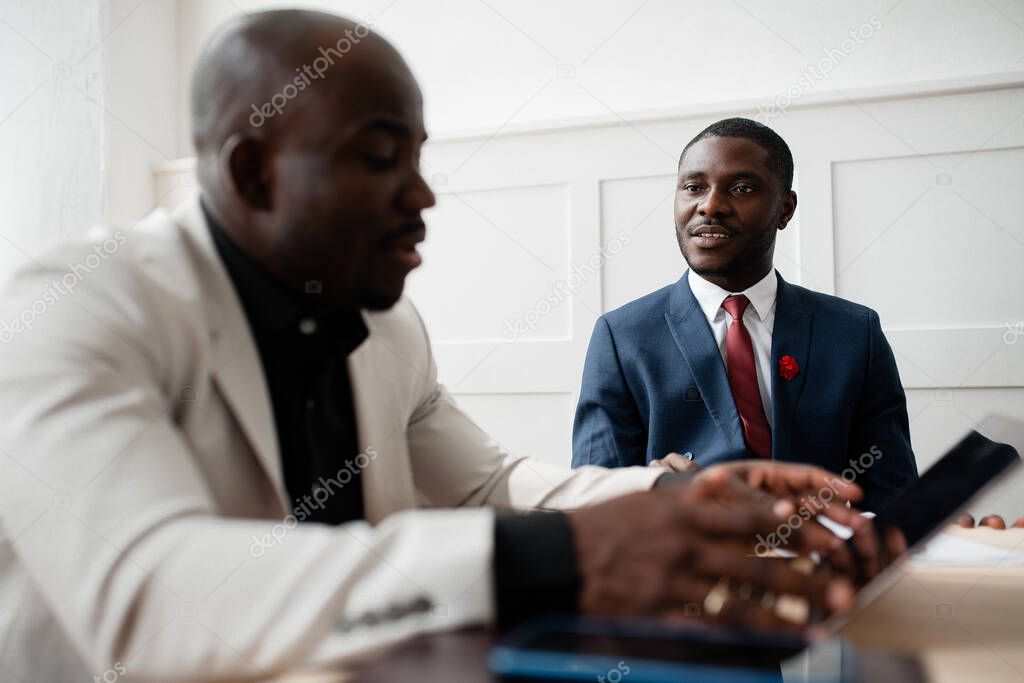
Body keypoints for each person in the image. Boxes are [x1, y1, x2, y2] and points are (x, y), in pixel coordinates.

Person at [0, 14, 894, 682]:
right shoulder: (72, 306)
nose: (423, 192)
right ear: (252, 172)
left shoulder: (386, 323)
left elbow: (489, 483)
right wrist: (567, 555)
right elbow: (150, 595)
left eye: (419, 156)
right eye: (381, 156)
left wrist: (678, 494)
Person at [572, 118, 918, 512]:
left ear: (784, 210)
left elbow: (895, 497)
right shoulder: (621, 338)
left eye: (741, 189)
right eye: (693, 187)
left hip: (821, 565)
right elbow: (593, 510)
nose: (710, 205)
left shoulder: (855, 333)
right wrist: (656, 491)